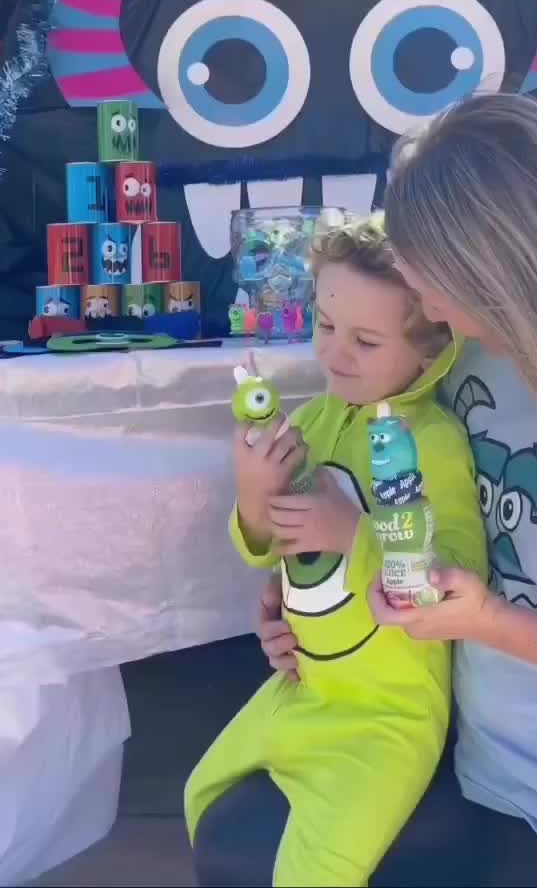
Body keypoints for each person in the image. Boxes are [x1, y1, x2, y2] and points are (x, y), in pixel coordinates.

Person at [258, 93, 537, 888]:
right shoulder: (465, 354)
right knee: (238, 838)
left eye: (422, 266)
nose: (414, 293)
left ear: (499, 264)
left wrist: (487, 621)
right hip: (479, 767)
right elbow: (408, 518)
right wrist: (315, 597)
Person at [185, 217, 487, 887]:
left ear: (430, 348)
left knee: (313, 872)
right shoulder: (316, 420)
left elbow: (460, 572)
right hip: (304, 687)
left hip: (388, 712)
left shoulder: (433, 441)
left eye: (366, 340)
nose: (336, 354)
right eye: (325, 327)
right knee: (199, 794)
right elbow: (264, 551)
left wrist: (356, 534)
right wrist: (254, 490)